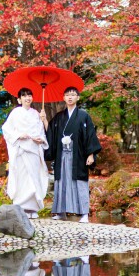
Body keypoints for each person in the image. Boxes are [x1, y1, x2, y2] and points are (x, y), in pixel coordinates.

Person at [42, 87, 101, 223]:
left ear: (78, 98)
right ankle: (61, 212)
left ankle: (84, 213)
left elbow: (90, 136)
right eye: (67, 95)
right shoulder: (58, 117)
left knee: (79, 182)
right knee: (61, 182)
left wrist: (91, 154)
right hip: (61, 155)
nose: (70, 97)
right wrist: (45, 121)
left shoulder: (83, 116)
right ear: (63, 98)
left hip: (78, 155)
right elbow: (51, 132)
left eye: (73, 95)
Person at [2, 88, 50, 219]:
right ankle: (20, 206)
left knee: (33, 178)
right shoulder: (15, 113)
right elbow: (6, 129)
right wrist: (18, 135)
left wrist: (41, 138)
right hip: (21, 150)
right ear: (19, 99)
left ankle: (33, 208)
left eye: (29, 95)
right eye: (24, 96)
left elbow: (40, 131)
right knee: (22, 177)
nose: (27, 98)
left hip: (33, 149)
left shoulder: (36, 114)